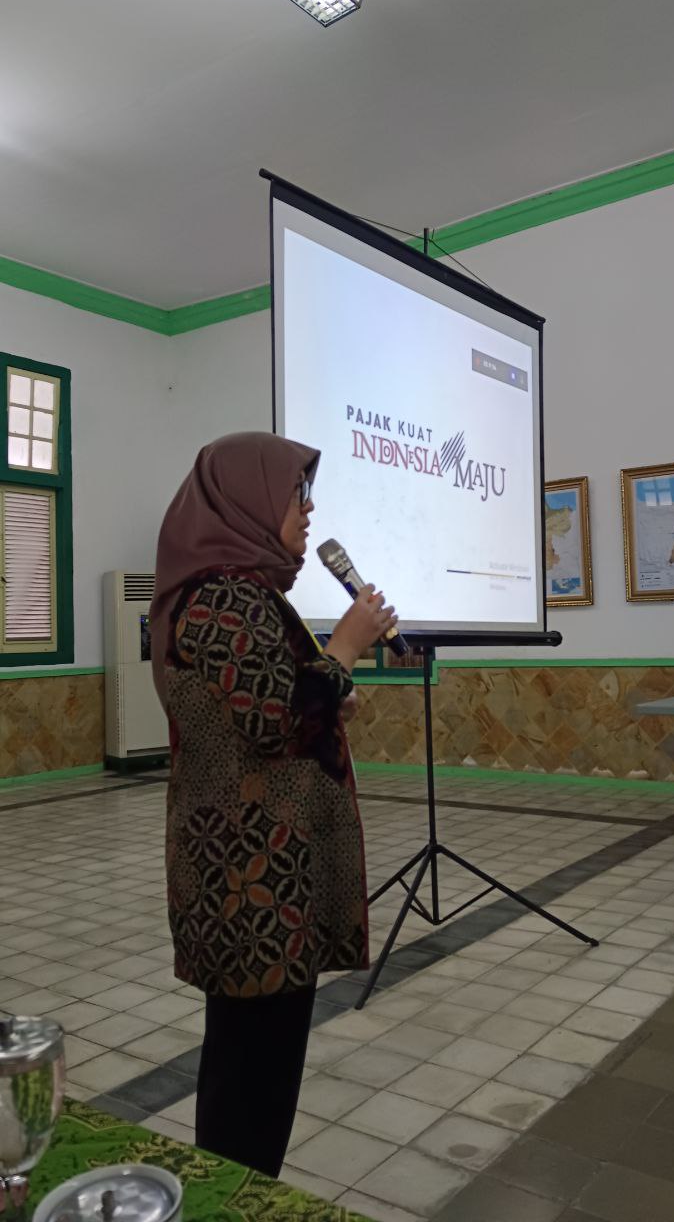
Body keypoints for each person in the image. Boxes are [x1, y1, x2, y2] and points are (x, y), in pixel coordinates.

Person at [150, 431, 397, 1177]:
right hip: (251, 883)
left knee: (250, 1062)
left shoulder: (237, 591)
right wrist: (345, 649)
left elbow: (261, 708)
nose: (308, 508)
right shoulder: (224, 596)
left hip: (257, 876)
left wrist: (329, 695)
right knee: (252, 1077)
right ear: (246, 500)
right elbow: (271, 718)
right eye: (296, 492)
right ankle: (235, 1199)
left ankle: (235, 1192)